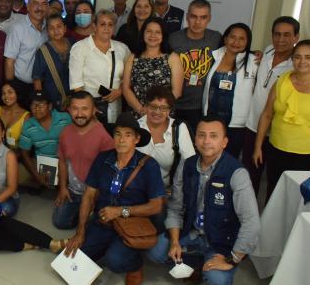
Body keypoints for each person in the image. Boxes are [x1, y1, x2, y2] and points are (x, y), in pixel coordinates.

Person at [148, 116, 260, 285]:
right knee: (154, 253)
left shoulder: (237, 173)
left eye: (214, 136)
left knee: (217, 280)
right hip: (191, 232)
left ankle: (207, 265)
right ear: (195, 140)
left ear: (224, 142)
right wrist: (175, 242)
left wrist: (232, 259)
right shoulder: (187, 165)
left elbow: (251, 222)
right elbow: (175, 207)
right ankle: (197, 264)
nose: (206, 141)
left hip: (221, 242)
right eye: (201, 135)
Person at [63, 112, 165, 285]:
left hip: (130, 225)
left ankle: (135, 265)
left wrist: (121, 211)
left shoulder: (149, 165)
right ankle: (104, 247)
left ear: (137, 139)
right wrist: (80, 231)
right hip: (102, 223)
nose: (121, 140)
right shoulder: (103, 159)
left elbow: (156, 206)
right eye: (118, 134)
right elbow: (88, 195)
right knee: (73, 257)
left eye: (127, 135)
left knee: (115, 261)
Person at [254, 40, 310, 200]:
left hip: (308, 156)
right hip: (276, 150)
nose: (302, 62)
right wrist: (258, 145)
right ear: (293, 59)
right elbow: (267, 114)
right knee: (273, 195)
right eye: (298, 57)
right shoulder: (281, 81)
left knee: (298, 199)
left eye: (308, 57)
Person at [242, 16, 299, 195]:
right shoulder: (267, 52)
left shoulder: (296, 66)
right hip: (252, 126)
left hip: (276, 133)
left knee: (274, 183)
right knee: (250, 177)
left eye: (287, 35)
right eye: (277, 34)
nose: (281, 39)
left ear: (296, 37)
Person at [53, 91, 115, 229]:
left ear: (94, 110)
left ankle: (86, 214)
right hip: (73, 191)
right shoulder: (65, 132)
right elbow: (62, 161)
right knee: (59, 222)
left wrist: (94, 199)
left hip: (95, 194)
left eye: (85, 108)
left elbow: (109, 173)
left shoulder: (104, 137)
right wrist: (62, 188)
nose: (79, 114)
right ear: (69, 110)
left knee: (97, 226)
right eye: (75, 108)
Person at [202, 23, 258, 157]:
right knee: (208, 156)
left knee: (229, 161)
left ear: (247, 41)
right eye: (232, 37)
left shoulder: (255, 61)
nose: (236, 42)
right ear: (225, 38)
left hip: (236, 126)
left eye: (241, 39)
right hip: (210, 119)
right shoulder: (213, 56)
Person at [169, 0, 222, 133]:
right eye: (193, 16)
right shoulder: (174, 38)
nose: (197, 22)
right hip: (175, 104)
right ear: (187, 17)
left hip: (202, 106)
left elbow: (235, 49)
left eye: (203, 17)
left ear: (209, 18)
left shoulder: (216, 38)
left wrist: (255, 53)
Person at [69, 9, 130, 124]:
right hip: (90, 107)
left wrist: (120, 91)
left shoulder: (123, 49)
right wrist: (89, 108)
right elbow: (77, 84)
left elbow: (128, 77)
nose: (106, 28)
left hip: (115, 106)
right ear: (94, 26)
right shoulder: (80, 48)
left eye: (110, 24)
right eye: (102, 24)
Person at [122, 16, 183, 117]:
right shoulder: (133, 57)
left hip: (163, 114)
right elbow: (126, 88)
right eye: (149, 31)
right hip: (138, 113)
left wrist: (157, 110)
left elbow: (177, 92)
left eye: (157, 32)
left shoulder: (172, 57)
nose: (153, 35)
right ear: (143, 33)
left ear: (163, 35)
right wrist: (141, 110)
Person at [137, 86, 195, 189]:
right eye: (153, 107)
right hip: (136, 190)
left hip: (168, 192)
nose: (157, 112)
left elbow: (189, 163)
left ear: (169, 110)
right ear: (145, 107)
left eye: (163, 108)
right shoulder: (135, 127)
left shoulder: (179, 128)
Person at [18, 92, 72, 187]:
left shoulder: (65, 118)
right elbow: (24, 153)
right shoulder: (28, 125)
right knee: (19, 175)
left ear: (50, 106)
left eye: (41, 104)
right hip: (43, 162)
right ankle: (45, 183)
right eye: (33, 104)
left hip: (64, 161)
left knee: (64, 180)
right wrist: (36, 175)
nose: (37, 108)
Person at [4, 0, 49, 97]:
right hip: (21, 86)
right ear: (28, 6)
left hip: (44, 85)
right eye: (35, 3)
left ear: (48, 7)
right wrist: (11, 87)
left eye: (44, 4)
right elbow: (9, 62)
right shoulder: (17, 28)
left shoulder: (50, 28)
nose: (40, 8)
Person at [32, 13, 71, 110]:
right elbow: (37, 79)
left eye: (59, 26)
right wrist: (41, 102)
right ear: (47, 31)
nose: (56, 31)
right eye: (51, 28)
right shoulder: (43, 51)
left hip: (74, 99)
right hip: (53, 101)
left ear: (65, 28)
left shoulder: (74, 45)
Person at [0, 81, 30, 150]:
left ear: (17, 93)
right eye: (3, 93)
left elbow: (25, 147)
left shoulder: (26, 116)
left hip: (16, 155)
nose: (6, 96)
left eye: (10, 92)